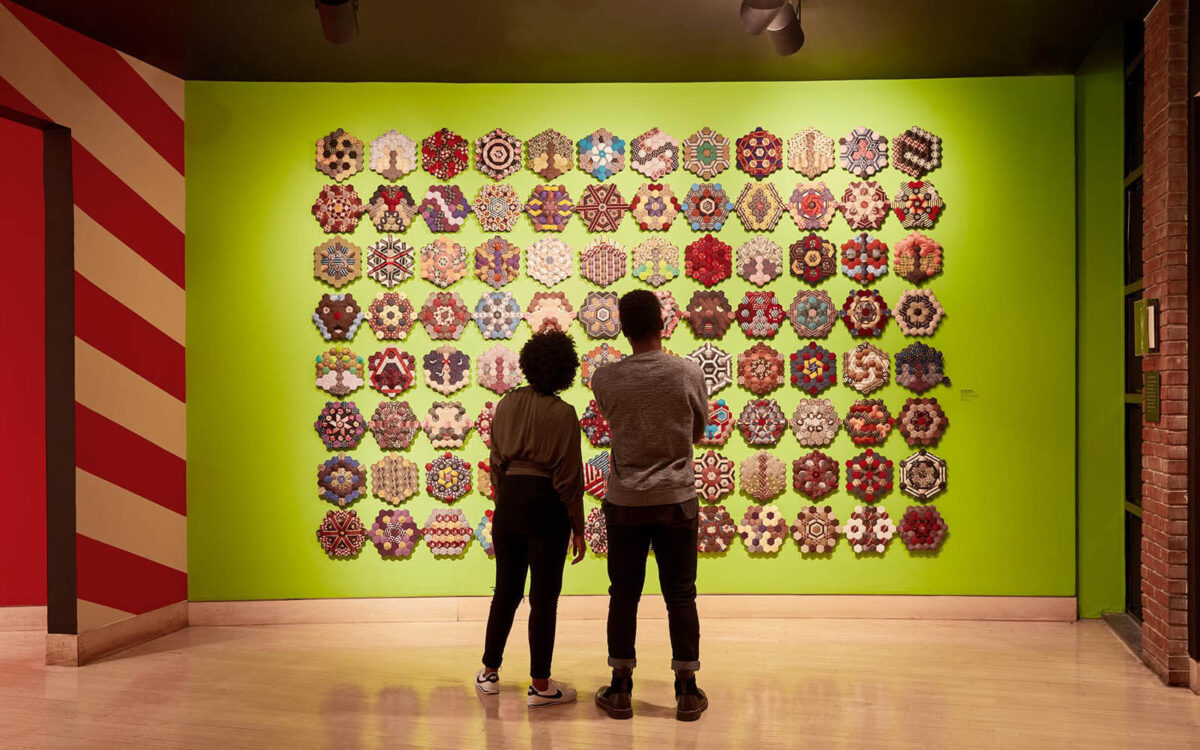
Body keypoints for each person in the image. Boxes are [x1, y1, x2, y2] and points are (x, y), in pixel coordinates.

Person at [590, 290, 709, 722]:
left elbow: (614, 421)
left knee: (623, 593)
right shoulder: (688, 372)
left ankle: (621, 687)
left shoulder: (605, 378)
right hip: (676, 498)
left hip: (625, 500)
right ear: (662, 323)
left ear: (623, 328)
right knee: (681, 594)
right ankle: (687, 689)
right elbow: (697, 432)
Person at [475, 329, 587, 707]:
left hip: (510, 502)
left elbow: (495, 464)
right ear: (566, 370)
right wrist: (578, 528)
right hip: (547, 506)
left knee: (505, 592)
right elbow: (569, 478)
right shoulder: (564, 413)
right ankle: (540, 685)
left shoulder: (506, 404)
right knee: (543, 599)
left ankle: (489, 672)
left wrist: (504, 499)